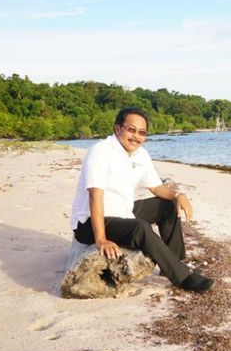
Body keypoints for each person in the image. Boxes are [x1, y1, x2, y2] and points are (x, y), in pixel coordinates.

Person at [70, 107, 214, 292]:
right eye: (131, 130)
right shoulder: (100, 152)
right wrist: (101, 240)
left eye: (142, 132)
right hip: (89, 223)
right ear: (117, 128)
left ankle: (174, 263)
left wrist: (178, 195)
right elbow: (95, 196)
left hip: (123, 213)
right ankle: (183, 277)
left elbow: (156, 187)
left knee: (167, 205)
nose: (136, 136)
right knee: (140, 227)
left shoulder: (140, 155)